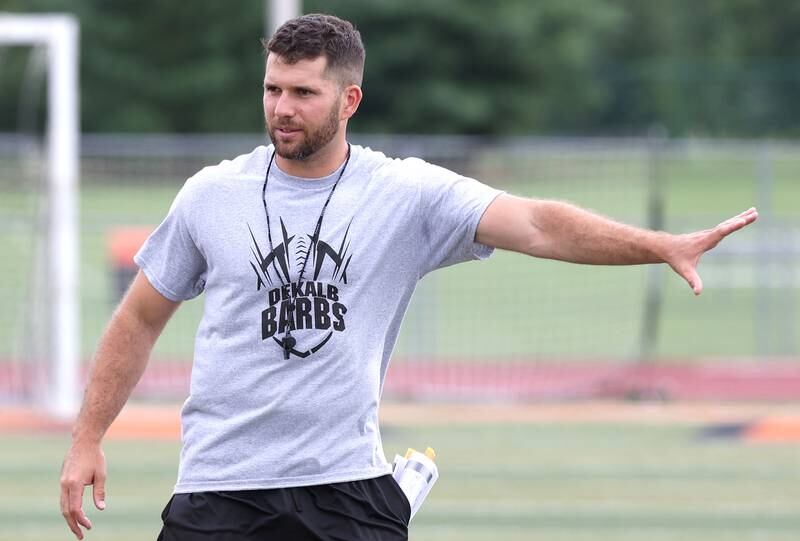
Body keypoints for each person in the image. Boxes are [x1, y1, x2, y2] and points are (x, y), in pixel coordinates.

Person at [59, 13, 758, 541]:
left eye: (303, 92)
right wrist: (88, 436)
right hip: (220, 487)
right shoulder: (211, 194)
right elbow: (140, 317)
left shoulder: (407, 193)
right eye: (272, 89)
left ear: (350, 100)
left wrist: (658, 244)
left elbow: (539, 224)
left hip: (346, 490)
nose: (281, 108)